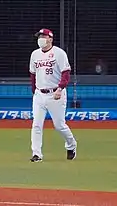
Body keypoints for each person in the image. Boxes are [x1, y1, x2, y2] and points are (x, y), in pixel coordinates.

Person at [29, 28, 77, 162]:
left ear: (50, 38)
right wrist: (34, 91)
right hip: (39, 94)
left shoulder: (59, 53)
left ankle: (71, 145)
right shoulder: (35, 54)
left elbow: (66, 72)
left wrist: (60, 88)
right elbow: (33, 74)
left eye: (43, 36)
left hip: (55, 93)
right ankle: (36, 154)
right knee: (36, 124)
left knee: (59, 125)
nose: (41, 39)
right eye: (39, 36)